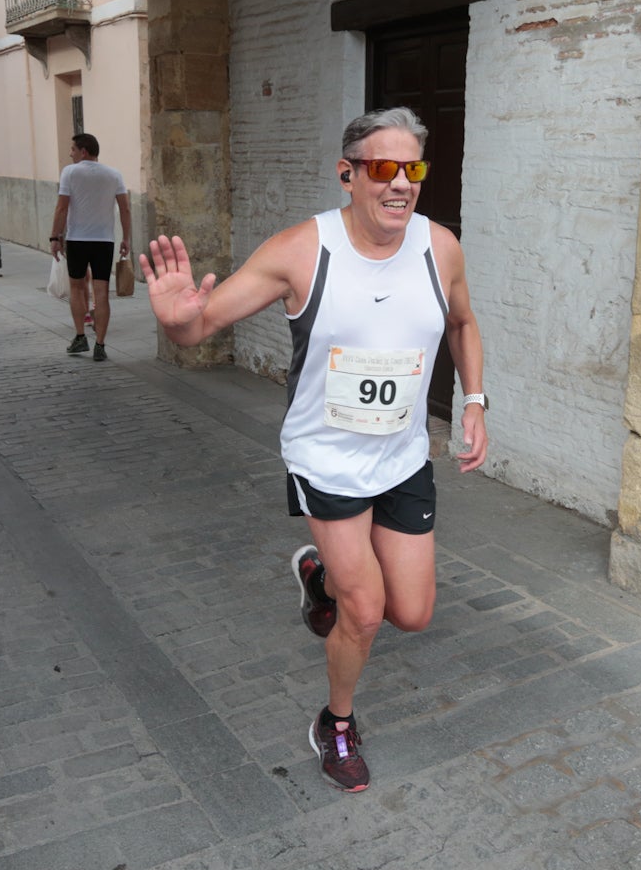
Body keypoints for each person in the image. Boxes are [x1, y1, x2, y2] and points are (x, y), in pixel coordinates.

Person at [141, 107, 488, 792]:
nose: (400, 184)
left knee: (411, 611)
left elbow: (464, 321)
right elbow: (202, 321)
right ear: (347, 174)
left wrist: (475, 401)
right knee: (364, 611)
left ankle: (317, 577)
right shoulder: (303, 249)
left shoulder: (439, 246)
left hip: (403, 456)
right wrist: (181, 320)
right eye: (382, 168)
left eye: (412, 169)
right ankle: (336, 722)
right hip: (326, 459)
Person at [50, 133, 130, 362]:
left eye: (73, 149)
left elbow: (61, 208)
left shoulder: (70, 172)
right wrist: (127, 239)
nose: (70, 153)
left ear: (83, 151)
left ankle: (80, 336)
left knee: (76, 288)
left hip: (77, 240)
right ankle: (100, 345)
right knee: (102, 293)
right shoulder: (114, 174)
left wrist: (54, 237)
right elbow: (125, 209)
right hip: (104, 241)